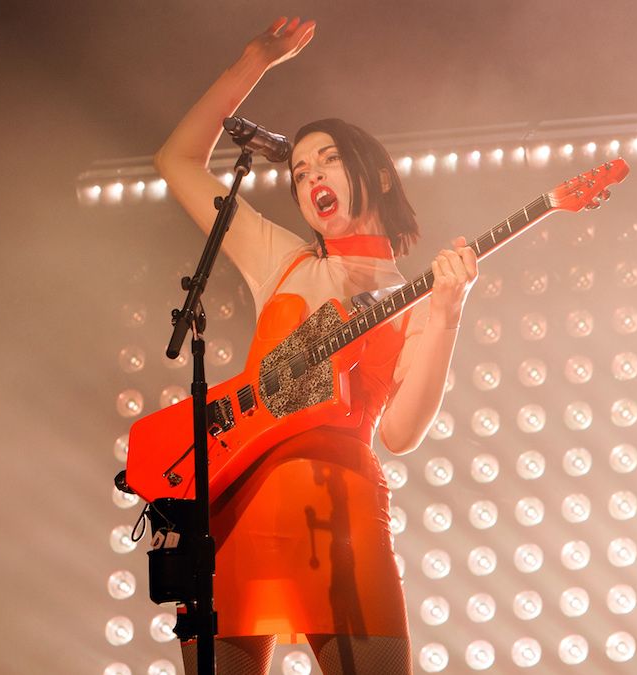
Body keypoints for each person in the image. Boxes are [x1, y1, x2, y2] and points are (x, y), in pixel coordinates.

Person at [153, 17, 478, 675]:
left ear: (379, 177)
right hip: (237, 516)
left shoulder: (415, 294)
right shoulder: (283, 258)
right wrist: (254, 62)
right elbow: (177, 160)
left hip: (346, 521)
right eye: (300, 171)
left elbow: (403, 433)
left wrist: (448, 310)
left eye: (328, 160)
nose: (310, 177)